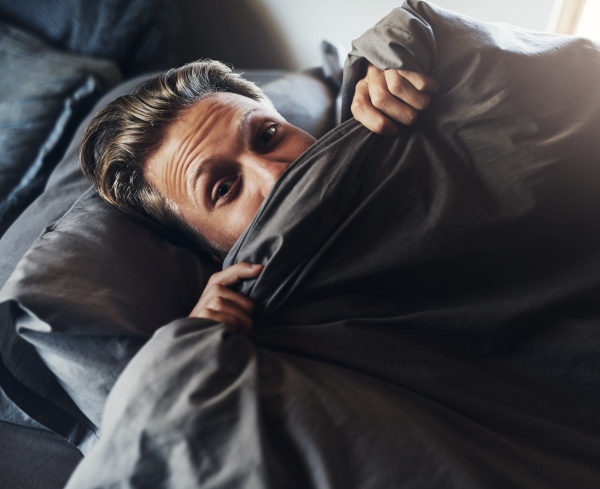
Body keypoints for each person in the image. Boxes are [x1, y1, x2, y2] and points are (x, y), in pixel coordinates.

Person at [80, 59, 438, 336]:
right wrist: (189, 357)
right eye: (223, 188)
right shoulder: (257, 348)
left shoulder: (400, 139)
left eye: (268, 136)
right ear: (211, 251)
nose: (276, 175)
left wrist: (401, 62)